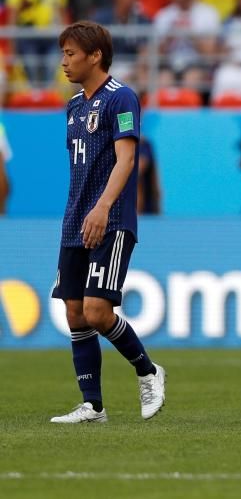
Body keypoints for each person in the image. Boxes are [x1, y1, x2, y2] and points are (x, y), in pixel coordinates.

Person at [50, 21, 165, 424]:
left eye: (70, 53)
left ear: (95, 55)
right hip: (75, 223)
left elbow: (127, 160)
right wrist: (80, 214)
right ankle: (92, 405)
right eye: (63, 53)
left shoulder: (122, 98)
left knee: (99, 312)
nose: (63, 61)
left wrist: (101, 208)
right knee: (75, 314)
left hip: (111, 219)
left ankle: (149, 371)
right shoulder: (73, 106)